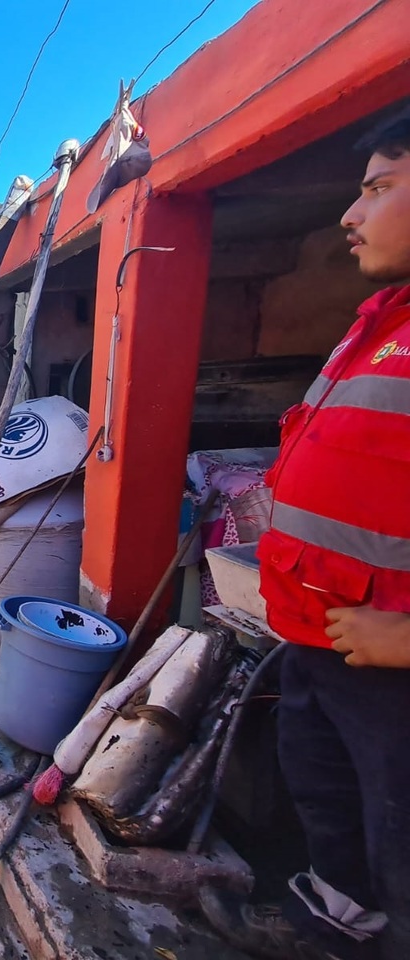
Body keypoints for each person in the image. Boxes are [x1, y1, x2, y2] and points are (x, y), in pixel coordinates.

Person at [200, 105, 410, 960]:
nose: (349, 215)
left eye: (378, 189)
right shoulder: (378, 324)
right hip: (323, 637)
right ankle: (336, 922)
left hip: (390, 659)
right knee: (332, 804)